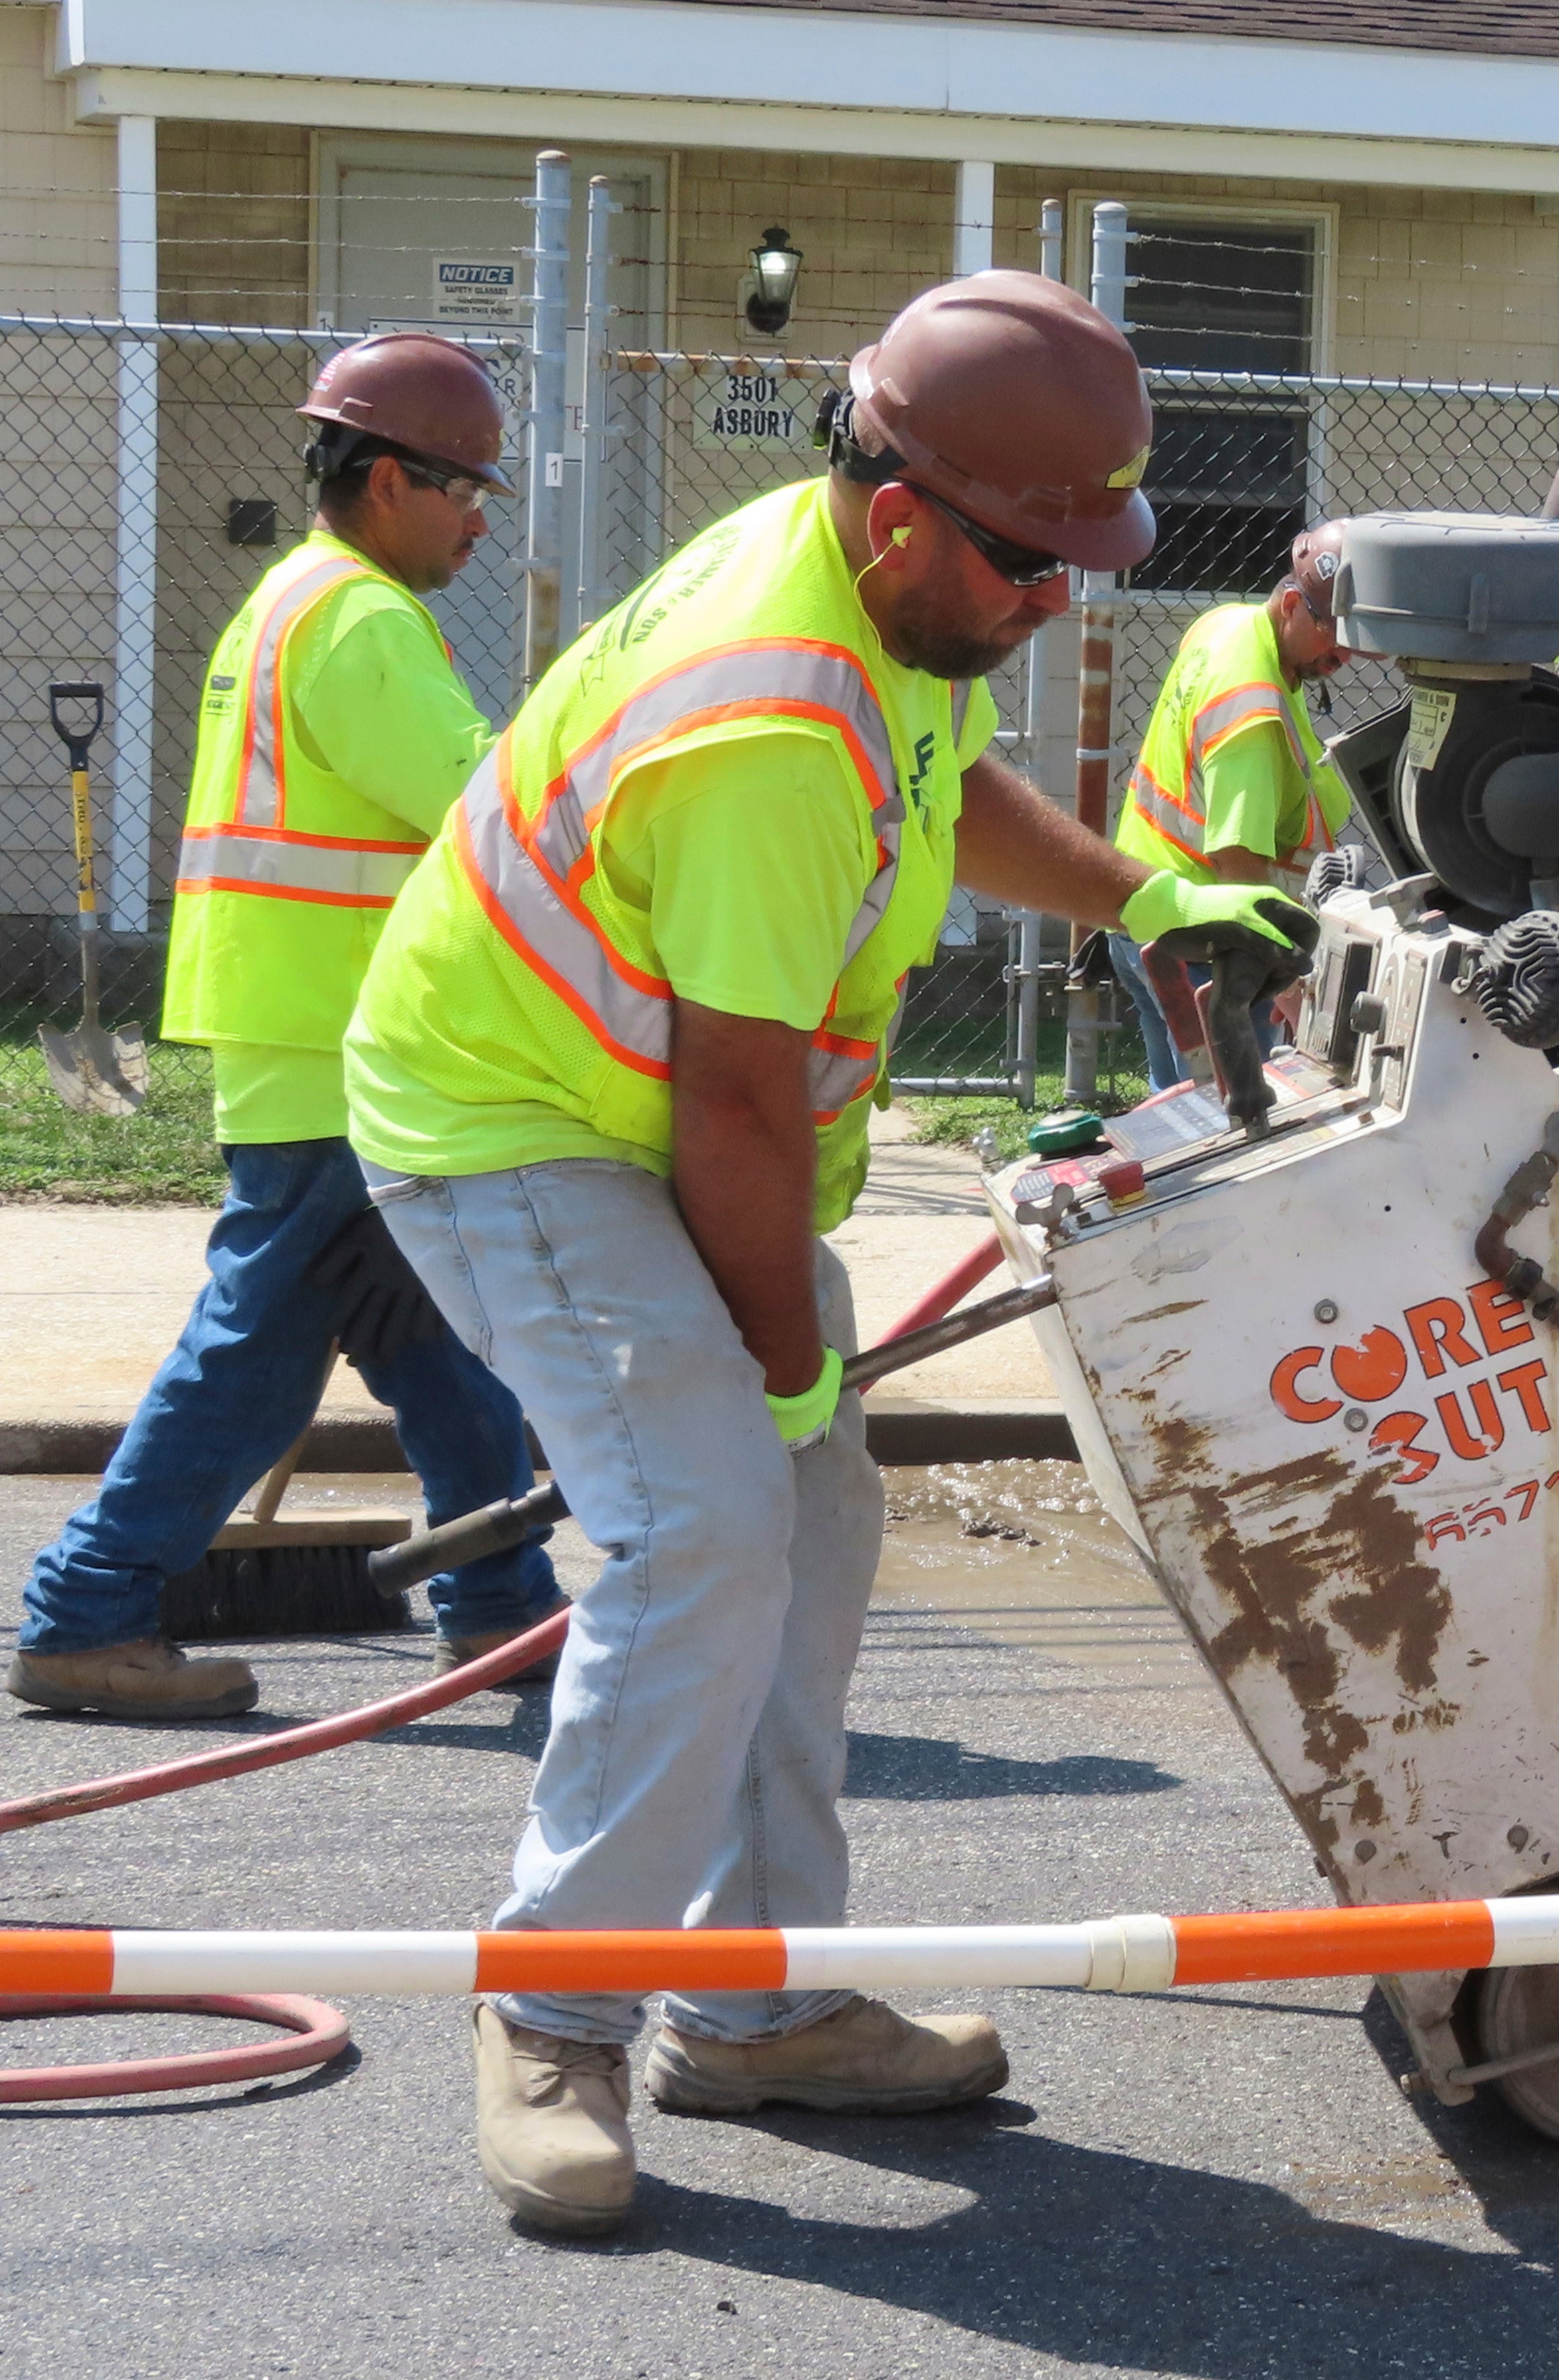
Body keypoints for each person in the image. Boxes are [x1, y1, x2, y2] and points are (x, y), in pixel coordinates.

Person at [339, 273, 1311, 2237]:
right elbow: (734, 1111)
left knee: (814, 1522)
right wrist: (780, 1370)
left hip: (623, 1111)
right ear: (901, 520)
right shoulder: (766, 719)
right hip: (515, 1124)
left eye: (1079, 568)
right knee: (711, 1519)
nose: (1062, 604)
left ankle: (755, 1999)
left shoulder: (876, 604)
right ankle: (554, 2009)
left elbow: (954, 811)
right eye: (1033, 566)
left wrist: (1158, 897)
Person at [8, 333, 560, 1723]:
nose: (482, 516)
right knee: (259, 1354)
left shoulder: (291, 601)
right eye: (463, 488)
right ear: (385, 480)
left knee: (439, 1337)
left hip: (323, 1031)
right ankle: (86, 1612)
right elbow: (489, 812)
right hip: (340, 1044)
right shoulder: (361, 621)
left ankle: (501, 1602)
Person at [1105, 519, 1360, 1078]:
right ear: (1292, 604)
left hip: (1145, 914)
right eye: (1332, 632)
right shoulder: (1253, 710)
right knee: (1229, 1133)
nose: (1344, 654)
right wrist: (1288, 992)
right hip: (1209, 951)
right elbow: (1239, 868)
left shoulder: (1228, 625)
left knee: (1173, 1124)